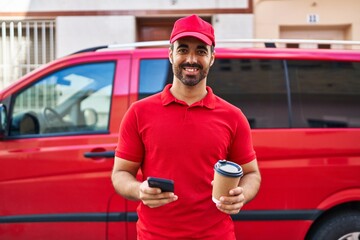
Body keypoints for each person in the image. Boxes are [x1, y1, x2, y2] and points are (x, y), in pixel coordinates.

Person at [112, 14, 261, 240]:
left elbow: (251, 174)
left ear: (212, 58)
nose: (191, 59)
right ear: (171, 54)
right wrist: (138, 190)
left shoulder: (233, 117)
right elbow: (121, 173)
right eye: (183, 49)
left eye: (201, 51)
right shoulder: (139, 113)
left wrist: (242, 195)